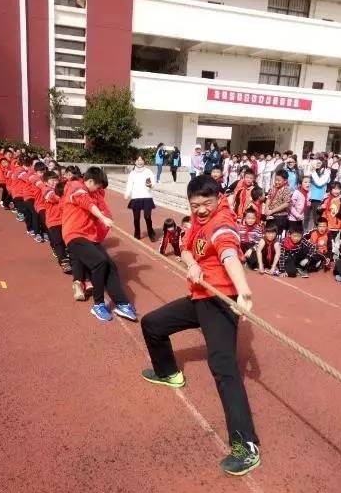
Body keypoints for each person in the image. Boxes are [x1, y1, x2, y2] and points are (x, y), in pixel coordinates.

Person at [140, 175, 260, 476]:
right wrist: (191, 261)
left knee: (223, 368)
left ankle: (246, 446)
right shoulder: (195, 221)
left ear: (219, 199)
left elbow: (229, 254)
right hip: (199, 298)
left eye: (207, 203)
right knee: (153, 324)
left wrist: (243, 291)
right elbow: (185, 247)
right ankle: (168, 372)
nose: (202, 209)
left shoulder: (222, 223)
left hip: (220, 302)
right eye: (196, 205)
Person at [63, 167, 137, 322]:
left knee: (111, 265)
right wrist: (103, 218)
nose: (98, 190)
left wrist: (105, 219)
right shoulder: (76, 187)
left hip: (90, 236)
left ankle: (122, 303)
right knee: (99, 262)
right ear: (89, 181)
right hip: (75, 235)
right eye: (97, 186)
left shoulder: (94, 192)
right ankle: (98, 304)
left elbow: (100, 203)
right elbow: (86, 202)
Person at [124, 155, 156, 242]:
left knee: (147, 217)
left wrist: (150, 185)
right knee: (136, 218)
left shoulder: (148, 171)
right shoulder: (132, 173)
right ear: (135, 162)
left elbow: (153, 182)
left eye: (141, 160)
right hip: (136, 197)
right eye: (138, 160)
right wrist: (127, 193)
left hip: (147, 197)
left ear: (144, 161)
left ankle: (151, 233)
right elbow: (129, 184)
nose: (140, 161)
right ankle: (137, 233)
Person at [264, 169, 292, 235]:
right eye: (275, 180)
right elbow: (269, 198)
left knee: (277, 234)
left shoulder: (286, 190)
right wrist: (266, 209)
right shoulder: (273, 187)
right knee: (269, 233)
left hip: (280, 217)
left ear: (285, 181)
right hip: (270, 215)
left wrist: (272, 211)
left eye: (279, 180)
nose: (276, 182)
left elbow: (286, 204)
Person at [307, 159, 331, 231]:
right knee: (307, 219)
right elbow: (305, 178)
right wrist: (310, 168)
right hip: (309, 197)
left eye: (319, 162)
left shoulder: (326, 172)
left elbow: (319, 183)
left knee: (316, 219)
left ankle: (316, 235)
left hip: (318, 199)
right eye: (316, 162)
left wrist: (313, 172)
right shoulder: (314, 171)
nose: (317, 164)